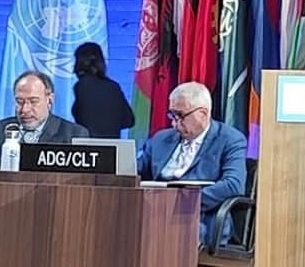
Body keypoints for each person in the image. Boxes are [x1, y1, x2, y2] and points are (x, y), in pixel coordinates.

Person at [137, 81, 246, 249]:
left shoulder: (230, 139)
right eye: (172, 115)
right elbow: (136, 172)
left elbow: (233, 184)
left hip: (199, 215)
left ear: (203, 113)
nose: (174, 124)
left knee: (168, 235)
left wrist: (185, 202)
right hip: (155, 209)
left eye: (180, 116)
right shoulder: (160, 139)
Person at [0, 70, 89, 169]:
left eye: (33, 101)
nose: (25, 109)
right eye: (19, 102)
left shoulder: (73, 135)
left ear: (50, 100)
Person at [71, 41, 135, 138]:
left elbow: (82, 119)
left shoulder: (82, 86)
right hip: (113, 145)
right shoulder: (114, 86)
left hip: (89, 144)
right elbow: (129, 120)